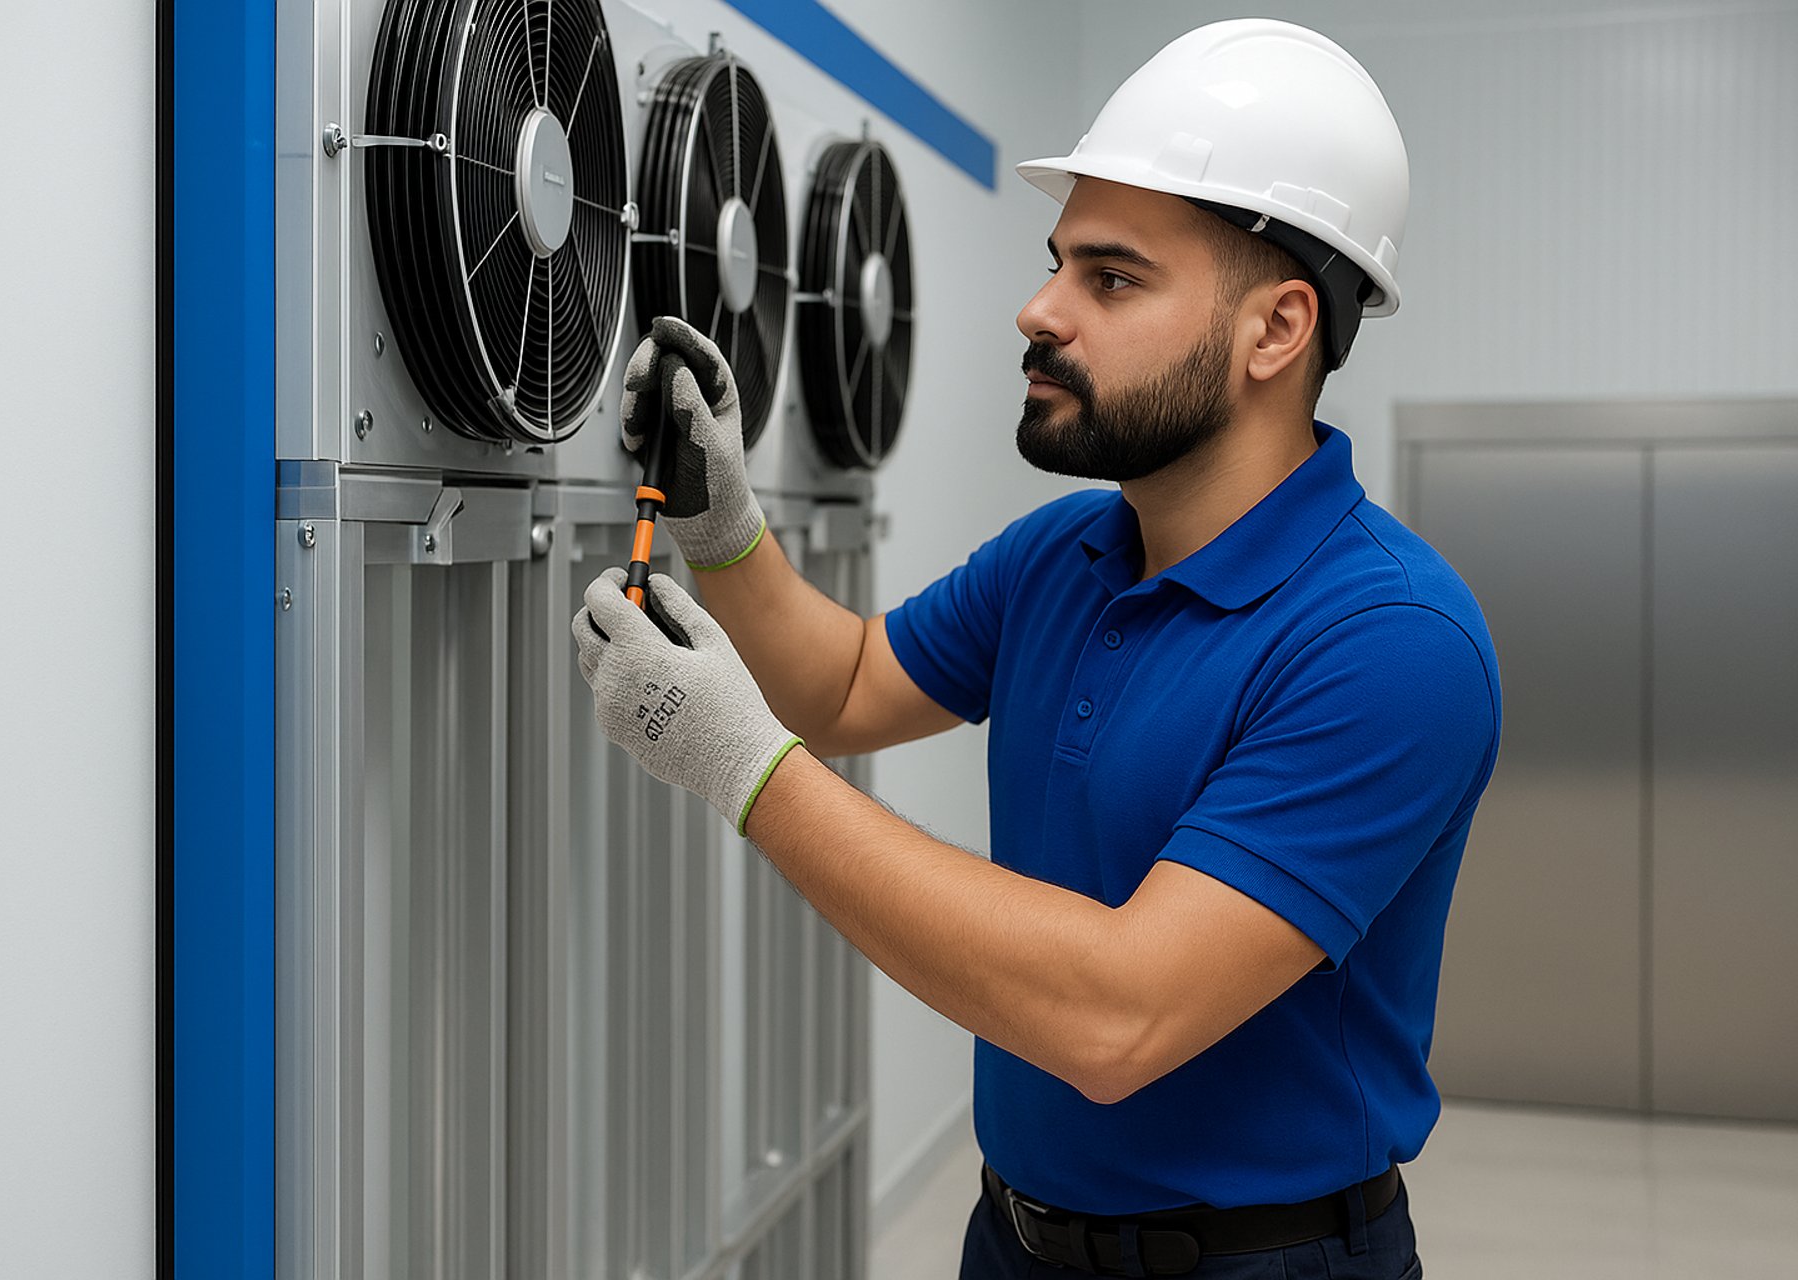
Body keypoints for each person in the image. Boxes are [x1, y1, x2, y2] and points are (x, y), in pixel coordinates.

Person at [572, 18, 1499, 1280]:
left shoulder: (1390, 643)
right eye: (1058, 262)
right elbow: (844, 685)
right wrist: (724, 523)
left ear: (1276, 331)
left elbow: (1120, 1013)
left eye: (1111, 279)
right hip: (1013, 1237)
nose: (1038, 307)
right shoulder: (1066, 548)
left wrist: (743, 766)